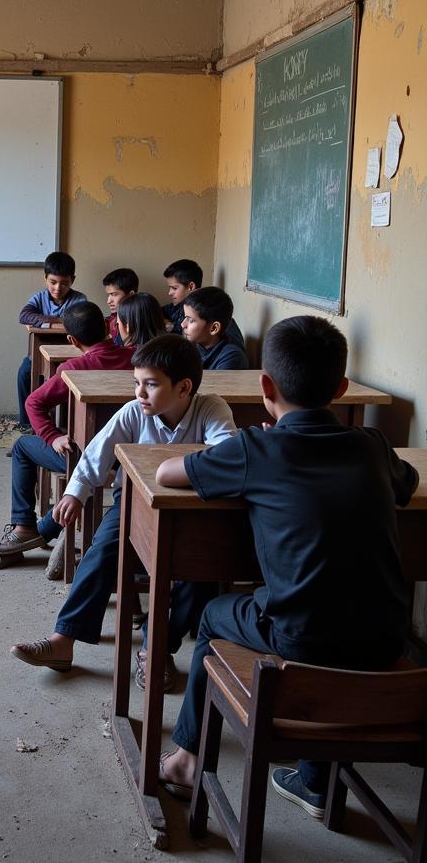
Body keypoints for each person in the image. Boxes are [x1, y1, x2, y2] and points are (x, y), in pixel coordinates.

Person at [156, 316, 418, 818]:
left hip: (300, 642)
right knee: (339, 608)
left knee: (213, 614)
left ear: (265, 386)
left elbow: (170, 472)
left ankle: (188, 759)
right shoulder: (372, 446)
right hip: (388, 640)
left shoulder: (258, 449)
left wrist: (261, 445)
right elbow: (405, 485)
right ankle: (315, 779)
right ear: (342, 388)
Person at [8, 335, 237, 685]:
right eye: (137, 383)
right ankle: (63, 640)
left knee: (199, 575)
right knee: (100, 553)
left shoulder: (211, 408)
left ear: (184, 388)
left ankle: (155, 648)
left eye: (150, 385)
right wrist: (75, 494)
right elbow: (96, 455)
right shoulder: (133, 412)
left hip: (193, 513)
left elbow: (227, 453)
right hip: (132, 502)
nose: (140, 393)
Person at [0, 301, 134, 570]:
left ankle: (24, 527)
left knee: (22, 446)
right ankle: (40, 531)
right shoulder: (136, 358)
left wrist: (53, 436)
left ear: (71, 340)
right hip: (130, 460)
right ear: (106, 326)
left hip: (87, 460)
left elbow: (33, 403)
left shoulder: (73, 369)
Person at [15, 251, 89, 428]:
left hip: (70, 356)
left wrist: (42, 320)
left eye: (64, 283)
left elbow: (78, 323)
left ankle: (63, 424)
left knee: (66, 380)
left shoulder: (79, 299)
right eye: (53, 282)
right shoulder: (39, 297)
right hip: (38, 356)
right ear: (45, 278)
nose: (57, 288)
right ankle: (26, 424)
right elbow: (24, 316)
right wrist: (60, 321)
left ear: (73, 280)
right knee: (25, 373)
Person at [180, 287, 249, 370]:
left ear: (214, 328)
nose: (182, 324)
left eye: (190, 320)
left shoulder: (231, 358)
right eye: (185, 317)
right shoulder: (199, 343)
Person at [161, 259, 203, 335]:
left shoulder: (202, 311)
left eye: (174, 288)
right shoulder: (177, 307)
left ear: (191, 287)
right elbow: (158, 311)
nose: (169, 293)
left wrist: (173, 327)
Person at [102, 267, 138, 345]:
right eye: (109, 295)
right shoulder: (110, 321)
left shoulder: (139, 322)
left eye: (114, 294)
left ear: (131, 295)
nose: (108, 301)